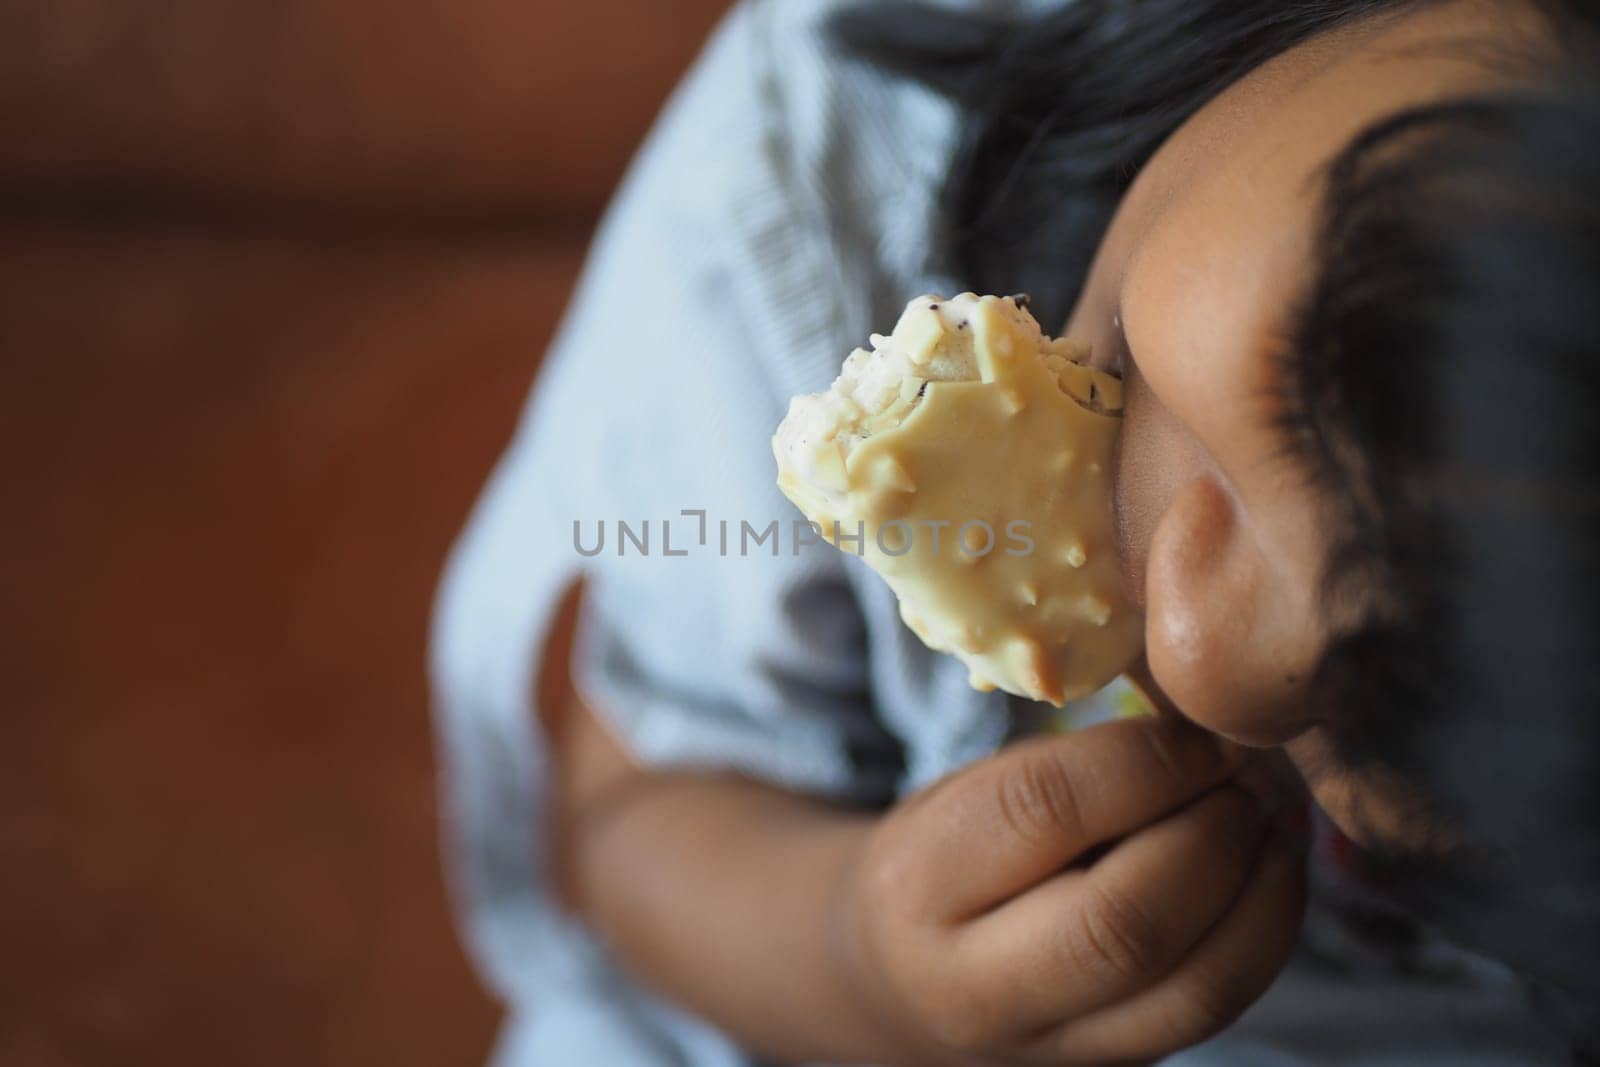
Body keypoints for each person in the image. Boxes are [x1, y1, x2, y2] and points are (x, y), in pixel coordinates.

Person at [431, 0, 1600, 1062]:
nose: (1195, 656)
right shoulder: (809, 213)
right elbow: (618, 823)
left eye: (1389, 723)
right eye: (1323, 396)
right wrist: (856, 958)